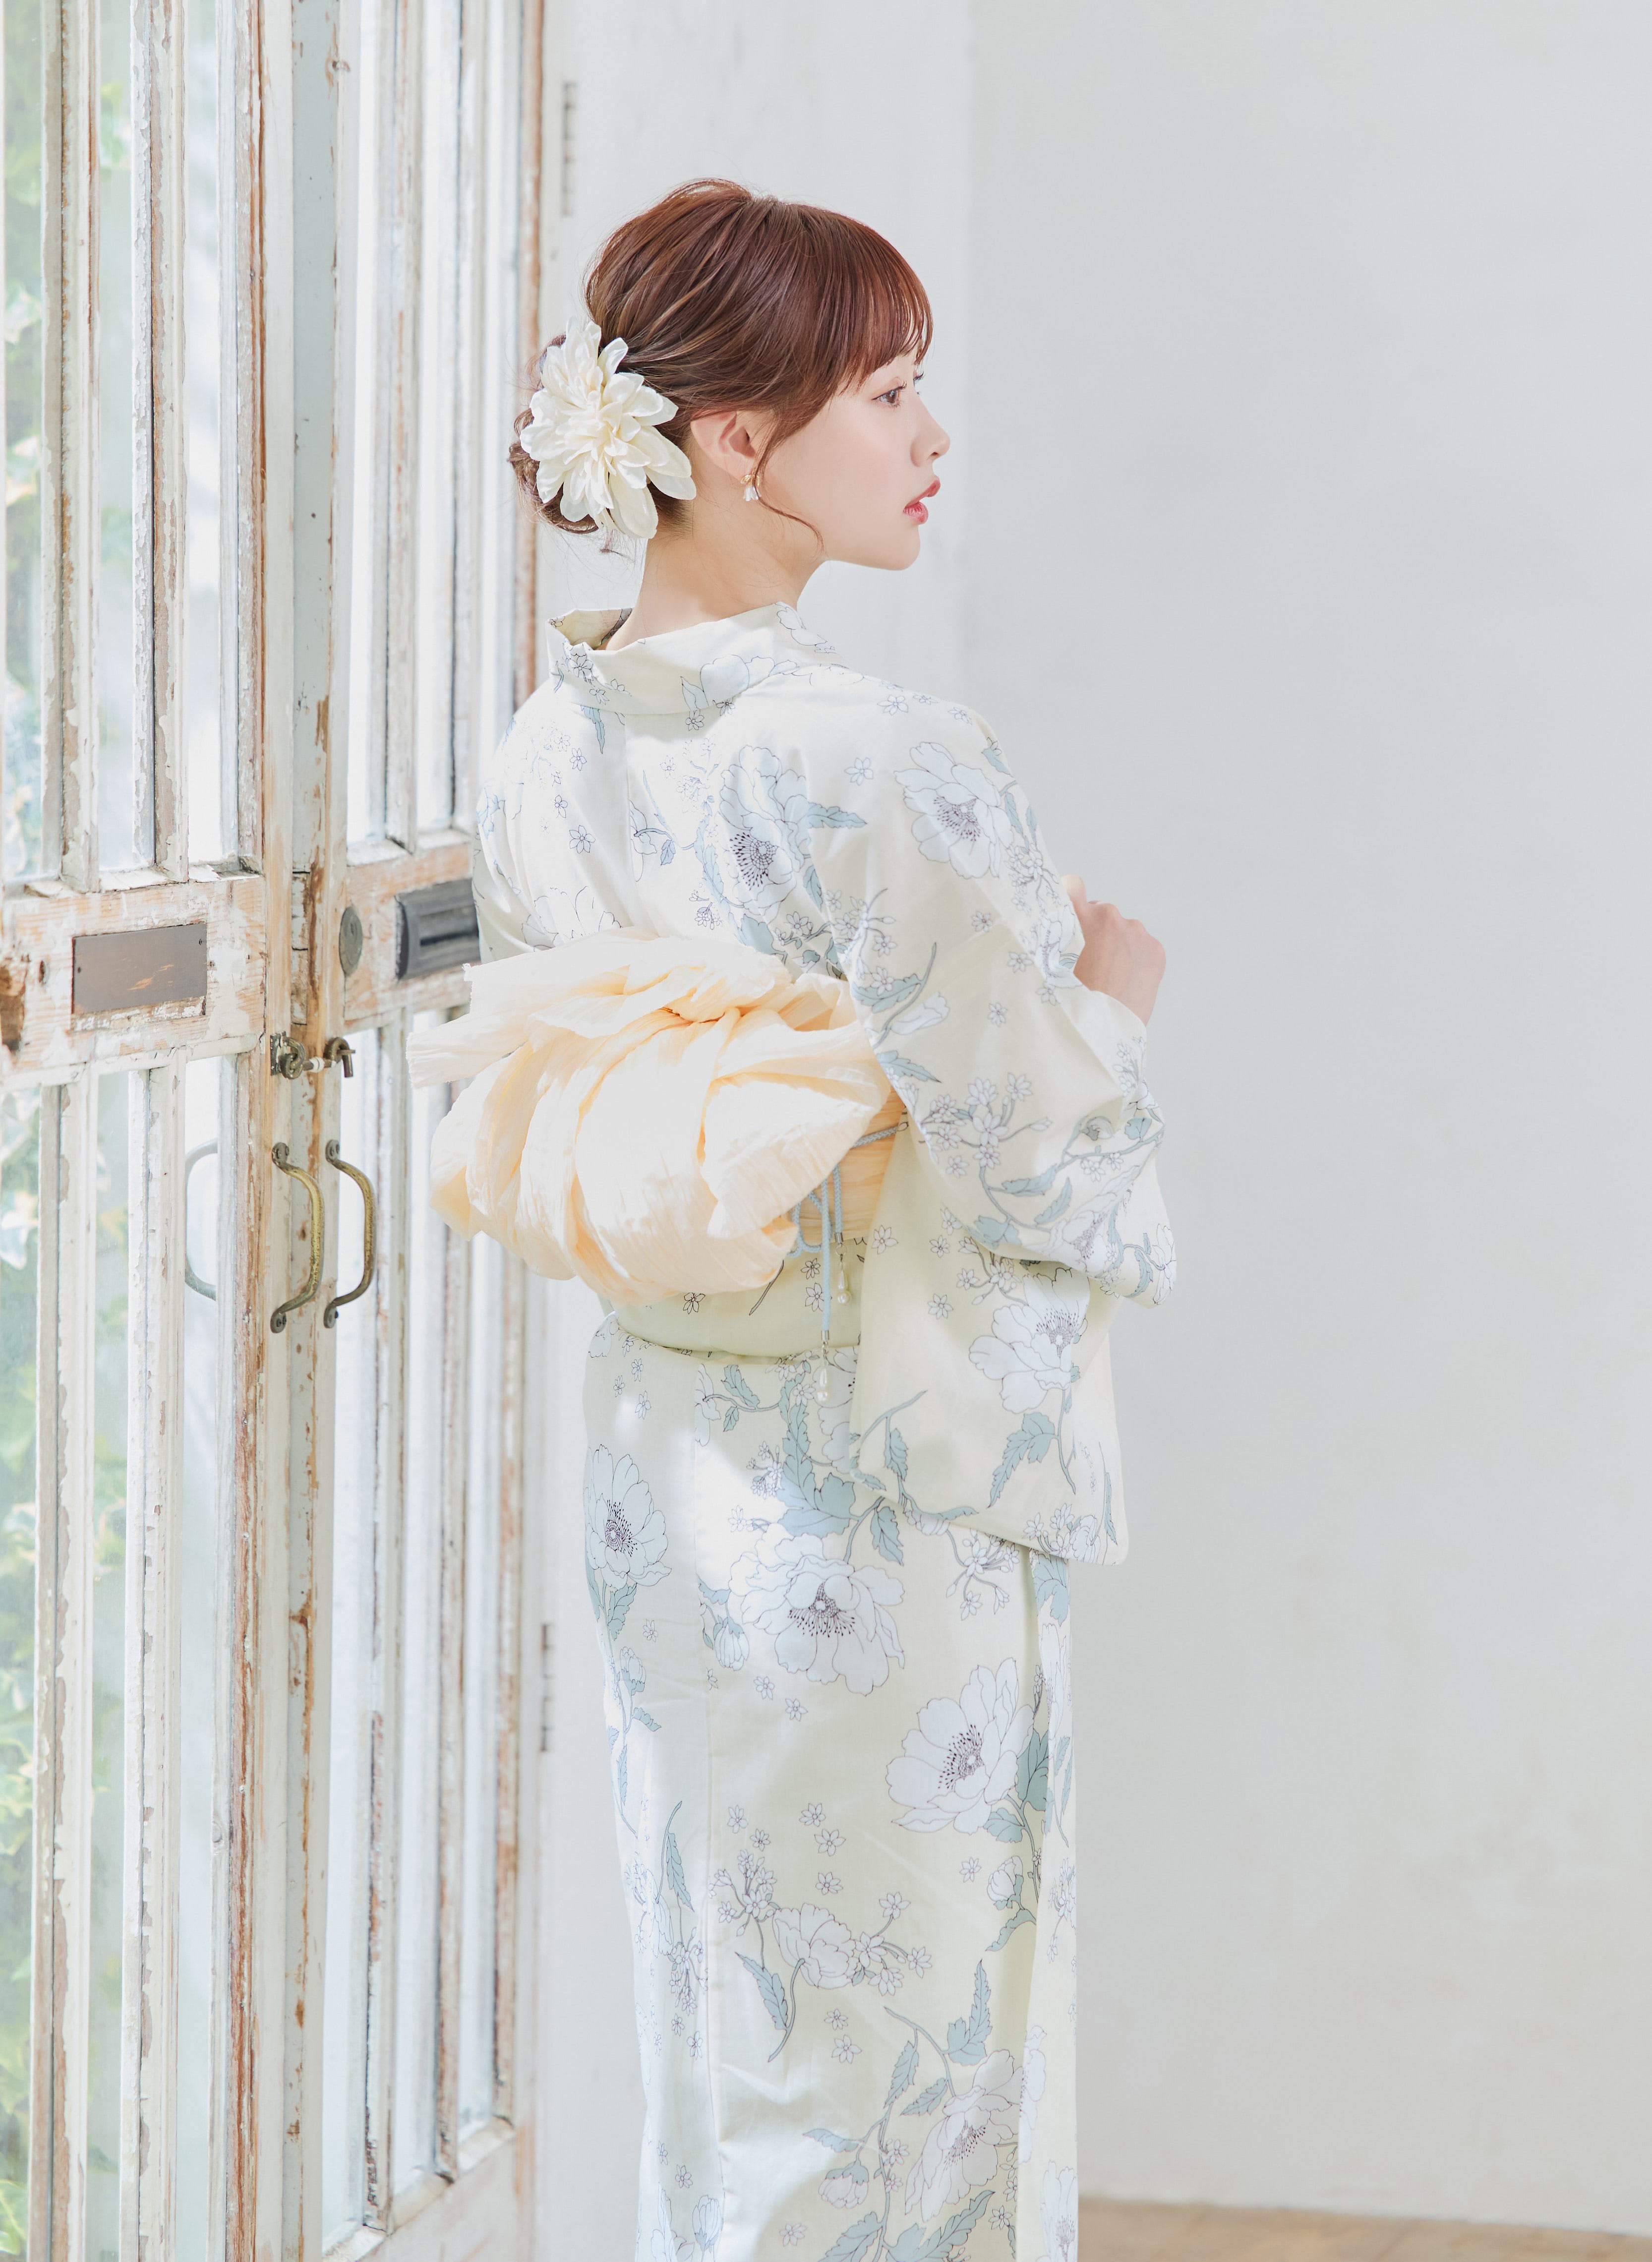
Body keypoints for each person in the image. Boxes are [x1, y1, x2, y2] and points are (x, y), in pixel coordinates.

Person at [415, 178, 1173, 2262]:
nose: (932, 436)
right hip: (878, 1481)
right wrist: (1110, 998)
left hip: (673, 1465)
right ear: (737, 442)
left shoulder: (543, 753)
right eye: (890, 390)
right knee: (921, 2035)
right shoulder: (881, 754)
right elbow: (1029, 1148)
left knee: (731, 2011)